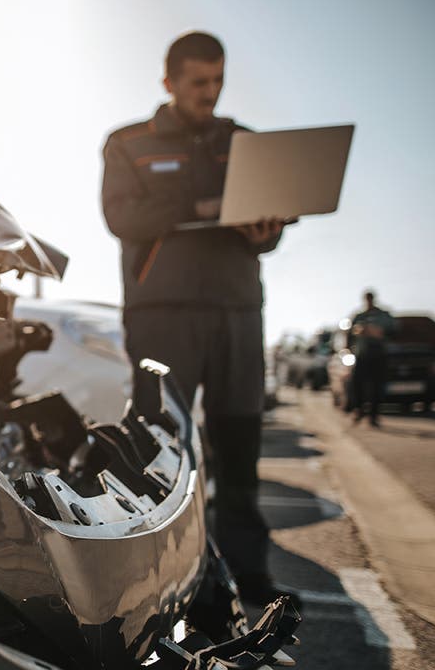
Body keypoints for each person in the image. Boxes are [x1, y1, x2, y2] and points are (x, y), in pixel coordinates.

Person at [101, 31, 291, 607]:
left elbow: (268, 233)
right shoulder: (127, 144)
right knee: (159, 448)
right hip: (163, 315)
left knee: (239, 450)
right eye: (198, 82)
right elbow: (122, 217)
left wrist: (268, 231)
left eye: (218, 80)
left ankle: (247, 578)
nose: (210, 92)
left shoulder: (246, 144)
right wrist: (205, 208)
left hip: (237, 312)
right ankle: (151, 583)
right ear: (170, 83)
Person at [349, 289, 396, 426]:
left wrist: (378, 331)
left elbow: (394, 329)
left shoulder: (384, 315)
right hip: (362, 354)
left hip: (379, 354)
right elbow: (351, 332)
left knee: (377, 385)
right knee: (357, 384)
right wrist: (359, 330)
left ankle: (374, 416)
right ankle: (359, 410)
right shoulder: (359, 316)